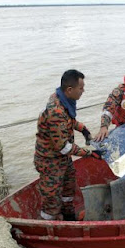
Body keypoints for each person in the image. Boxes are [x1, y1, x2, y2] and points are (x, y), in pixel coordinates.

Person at [34, 69, 100, 221]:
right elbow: (64, 147)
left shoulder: (63, 99)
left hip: (63, 160)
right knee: (52, 199)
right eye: (81, 88)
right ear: (70, 90)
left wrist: (83, 129)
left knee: (68, 189)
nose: (83, 91)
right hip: (50, 162)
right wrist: (89, 153)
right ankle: (48, 227)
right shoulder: (55, 111)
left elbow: (69, 121)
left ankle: (69, 218)